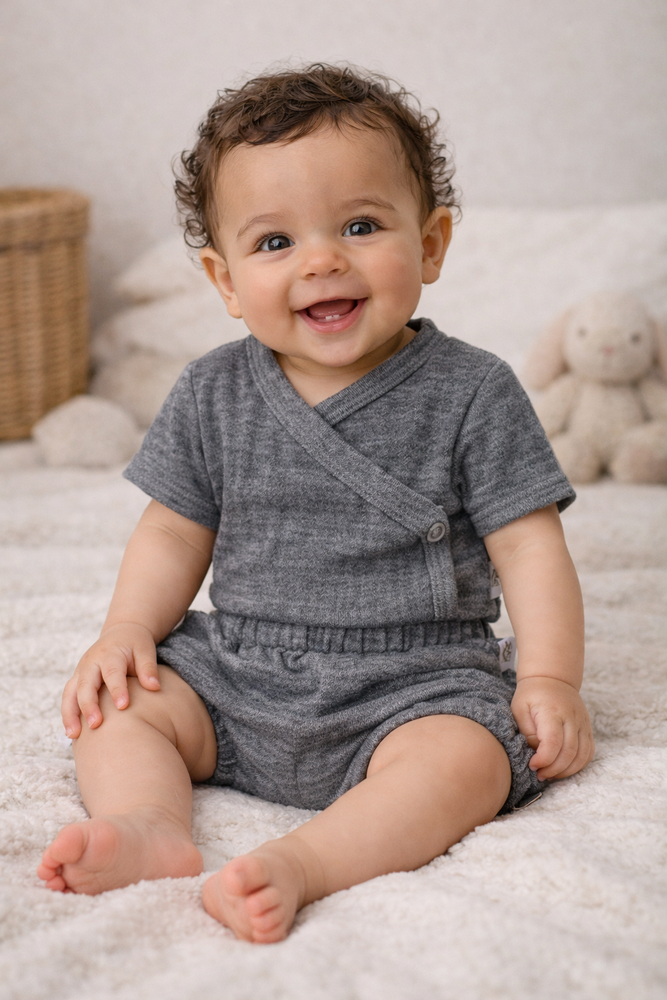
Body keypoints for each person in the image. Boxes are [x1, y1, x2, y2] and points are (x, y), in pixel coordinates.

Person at [37, 64, 594, 943]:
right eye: (273, 242)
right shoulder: (212, 392)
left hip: (411, 683)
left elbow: (528, 547)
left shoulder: (472, 391)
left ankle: (306, 861)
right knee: (117, 708)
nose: (321, 260)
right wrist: (126, 631)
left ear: (432, 243)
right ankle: (151, 824)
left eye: (360, 226)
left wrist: (549, 679)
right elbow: (173, 531)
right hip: (239, 668)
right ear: (224, 280)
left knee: (468, 760)